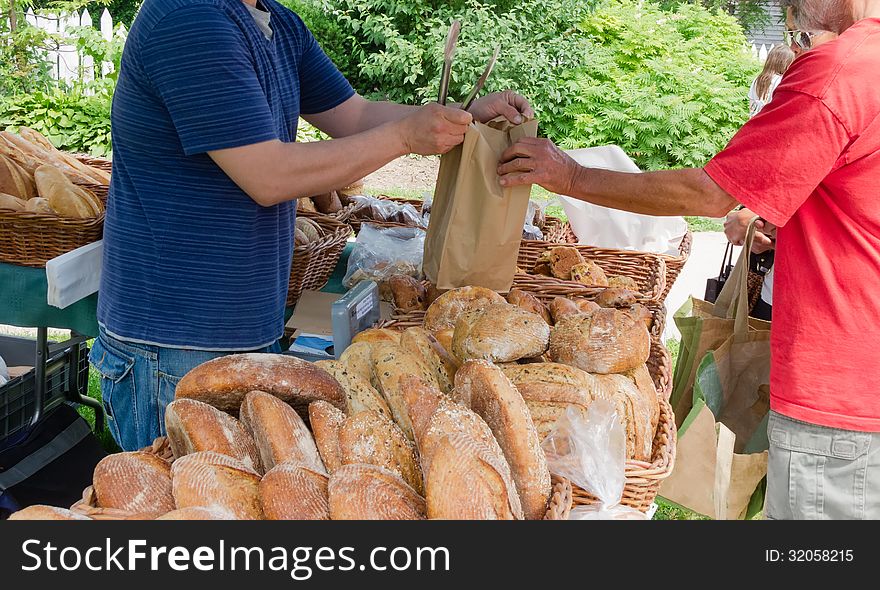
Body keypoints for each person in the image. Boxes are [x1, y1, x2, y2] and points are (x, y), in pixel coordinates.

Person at [91, 0, 534, 451]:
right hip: (174, 340)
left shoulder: (276, 22)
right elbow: (269, 175)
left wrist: (464, 115)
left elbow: (355, 115)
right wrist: (404, 138)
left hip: (245, 325)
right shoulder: (189, 19)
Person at [498, 0, 880, 519]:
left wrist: (571, 177)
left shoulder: (841, 72)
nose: (792, 16)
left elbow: (709, 194)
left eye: (795, 3)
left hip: (843, 399)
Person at [726, 25, 837, 321]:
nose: (796, 48)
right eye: (793, 36)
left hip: (814, 304)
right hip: (787, 286)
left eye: (803, 36)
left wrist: (752, 215)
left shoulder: (829, 100)